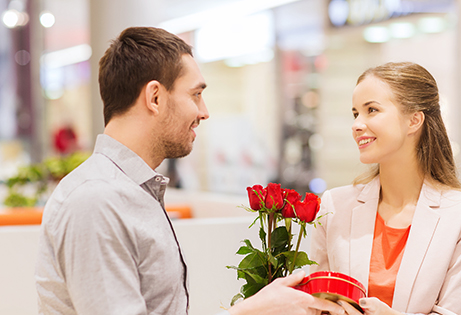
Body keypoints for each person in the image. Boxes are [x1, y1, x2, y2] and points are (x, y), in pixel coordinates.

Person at [35, 26, 344, 315]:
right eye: (196, 94)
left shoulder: (131, 190)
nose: (204, 112)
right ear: (155, 97)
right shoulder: (97, 200)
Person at [310, 62, 461, 315]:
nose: (357, 124)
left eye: (371, 110)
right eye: (355, 113)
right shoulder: (334, 205)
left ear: (414, 120)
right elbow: (313, 303)